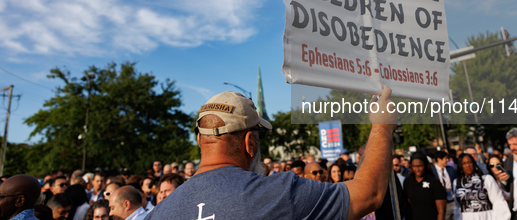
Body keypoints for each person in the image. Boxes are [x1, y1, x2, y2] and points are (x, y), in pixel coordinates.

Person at [145, 86, 397, 219]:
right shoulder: (276, 193)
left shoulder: (158, 213)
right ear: (249, 143)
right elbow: (369, 194)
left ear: (201, 140)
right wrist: (382, 127)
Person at [453, 153, 510, 220]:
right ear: (460, 166)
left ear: (474, 164)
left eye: (469, 162)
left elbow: (498, 201)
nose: (467, 165)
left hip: (486, 216)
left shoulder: (486, 179)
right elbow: (457, 206)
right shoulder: (456, 182)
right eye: (464, 163)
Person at [403, 153, 446, 220]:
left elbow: (441, 211)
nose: (417, 169)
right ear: (411, 166)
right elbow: (408, 207)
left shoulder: (434, 182)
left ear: (425, 165)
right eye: (414, 166)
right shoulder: (408, 182)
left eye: (420, 166)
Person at [432, 150, 457, 220]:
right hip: (441, 204)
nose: (447, 160)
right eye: (446, 158)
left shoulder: (451, 170)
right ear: (439, 159)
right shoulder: (432, 172)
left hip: (453, 201)